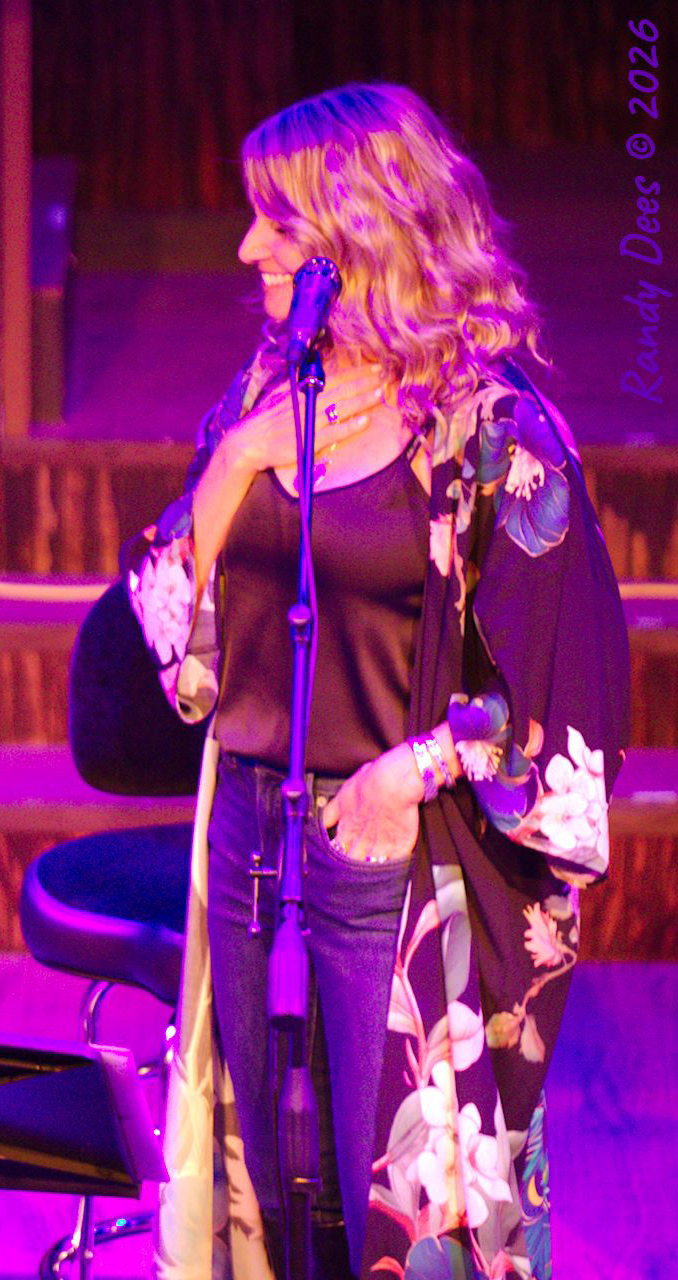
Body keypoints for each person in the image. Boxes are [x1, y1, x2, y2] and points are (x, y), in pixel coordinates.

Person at [124, 84, 628, 1279]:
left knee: (391, 1208)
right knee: (263, 1177)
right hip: (249, 824)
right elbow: (162, 605)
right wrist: (240, 459)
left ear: (362, 234)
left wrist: (413, 767)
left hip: (394, 849)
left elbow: (564, 700)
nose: (248, 248)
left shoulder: (497, 431)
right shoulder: (264, 394)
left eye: (277, 223)